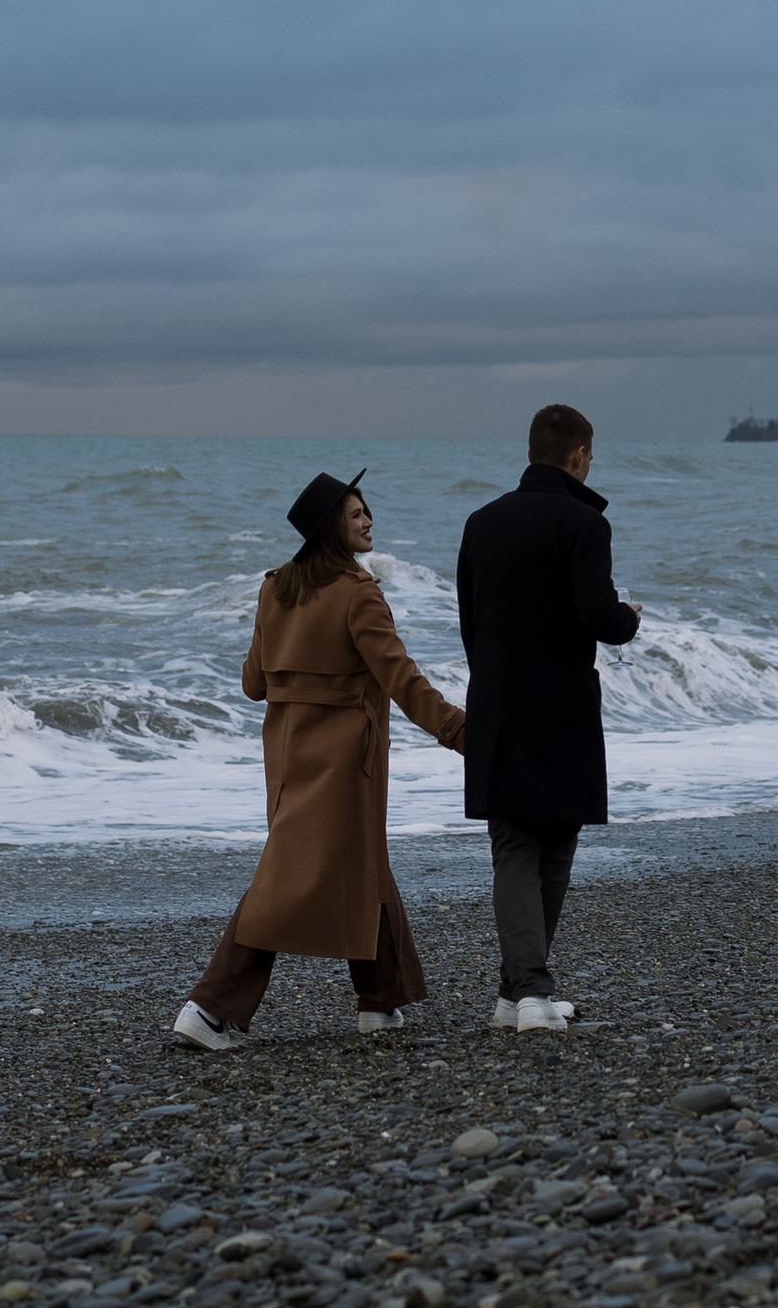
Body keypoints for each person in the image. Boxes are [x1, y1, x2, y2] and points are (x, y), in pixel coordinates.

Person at [172, 470, 465, 1051]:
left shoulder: (274, 587)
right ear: (333, 526)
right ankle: (208, 1009)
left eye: (367, 511)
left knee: (356, 859)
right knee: (289, 880)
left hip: (285, 755)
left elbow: (254, 683)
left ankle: (381, 1002)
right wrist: (461, 730)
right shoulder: (359, 593)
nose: (368, 521)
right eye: (356, 514)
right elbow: (401, 679)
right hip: (343, 760)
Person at [455, 402, 641, 1033]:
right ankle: (533, 990)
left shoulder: (481, 522)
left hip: (500, 703)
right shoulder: (583, 523)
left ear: (532, 448)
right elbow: (598, 617)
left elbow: (470, 627)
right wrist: (629, 618)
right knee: (553, 846)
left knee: (516, 844)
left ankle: (516, 996)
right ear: (580, 456)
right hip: (562, 706)